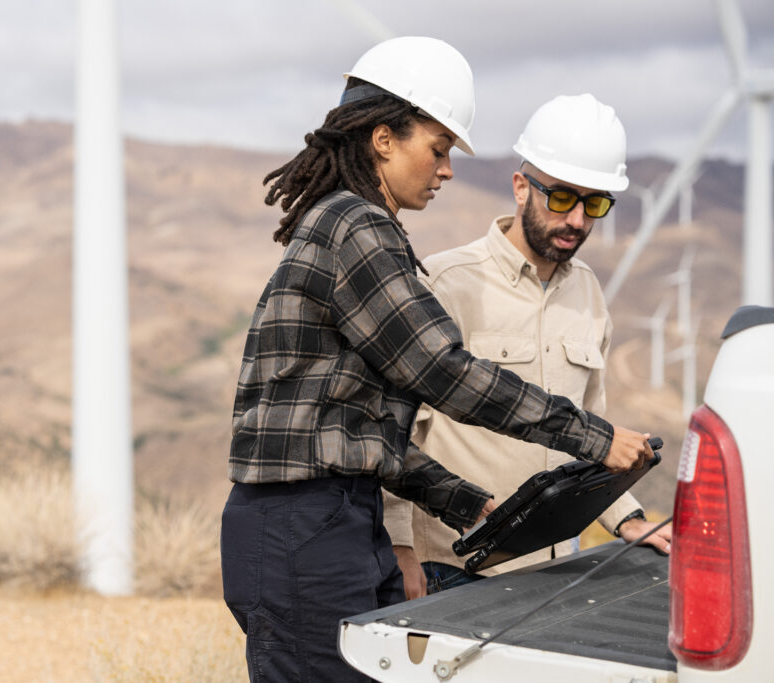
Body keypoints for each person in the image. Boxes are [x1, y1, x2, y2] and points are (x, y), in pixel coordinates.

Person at [220, 40, 652, 682]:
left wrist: (463, 502)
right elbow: (442, 372)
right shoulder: (356, 228)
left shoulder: (355, 228)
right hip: (304, 524)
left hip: (326, 518)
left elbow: (366, 434)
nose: (446, 169)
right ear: (384, 138)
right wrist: (594, 437)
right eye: (439, 148)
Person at [384, 94, 674, 600]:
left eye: (595, 203)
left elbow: (591, 427)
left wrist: (626, 518)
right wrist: (399, 550)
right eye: (561, 198)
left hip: (556, 569)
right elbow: (394, 430)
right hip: (455, 570)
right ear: (521, 188)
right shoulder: (446, 283)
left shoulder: (588, 293)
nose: (578, 221)